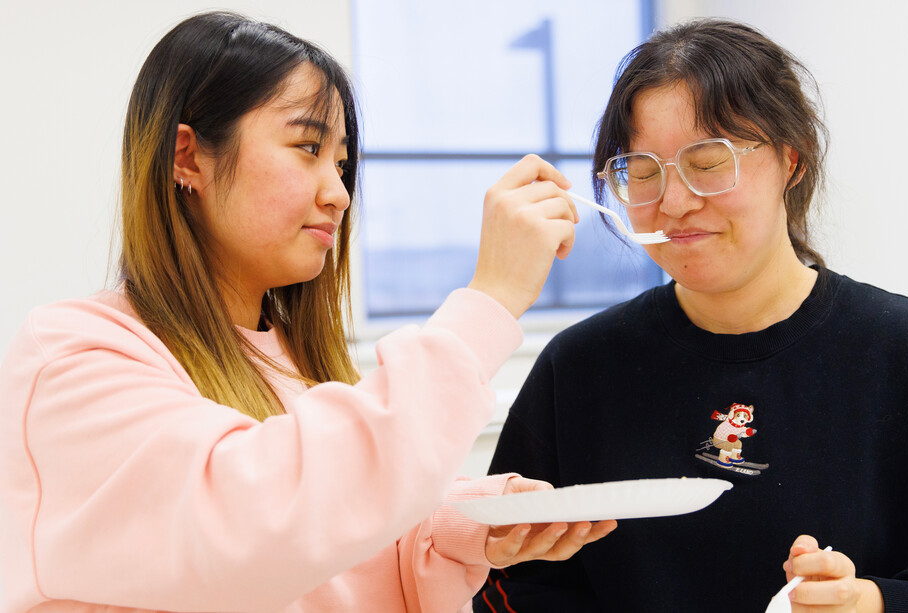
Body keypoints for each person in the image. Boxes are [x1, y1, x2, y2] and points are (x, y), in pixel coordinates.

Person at [0, 11, 616, 613]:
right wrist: (489, 302)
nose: (339, 192)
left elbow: (333, 543)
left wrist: (465, 524)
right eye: (307, 148)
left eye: (341, 162)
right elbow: (254, 527)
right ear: (187, 157)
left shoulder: (296, 354)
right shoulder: (74, 355)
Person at [475, 18, 908, 613]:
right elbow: (504, 582)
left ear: (792, 160)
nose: (677, 202)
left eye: (709, 161)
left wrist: (874, 604)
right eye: (642, 171)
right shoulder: (579, 368)